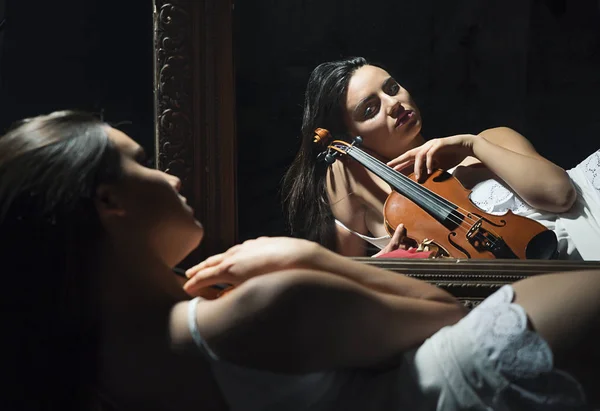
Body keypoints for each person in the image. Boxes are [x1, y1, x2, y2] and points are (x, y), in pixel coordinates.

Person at [2, 110, 600, 410]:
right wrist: (308, 255)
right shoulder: (253, 306)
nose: (170, 173)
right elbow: (448, 310)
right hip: (475, 380)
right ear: (109, 202)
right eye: (140, 163)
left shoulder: (113, 357)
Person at [282, 57, 600, 259]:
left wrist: (473, 146)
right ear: (355, 139)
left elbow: (561, 195)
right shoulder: (385, 205)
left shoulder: (492, 140)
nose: (393, 103)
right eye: (370, 109)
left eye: (392, 88)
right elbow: (344, 284)